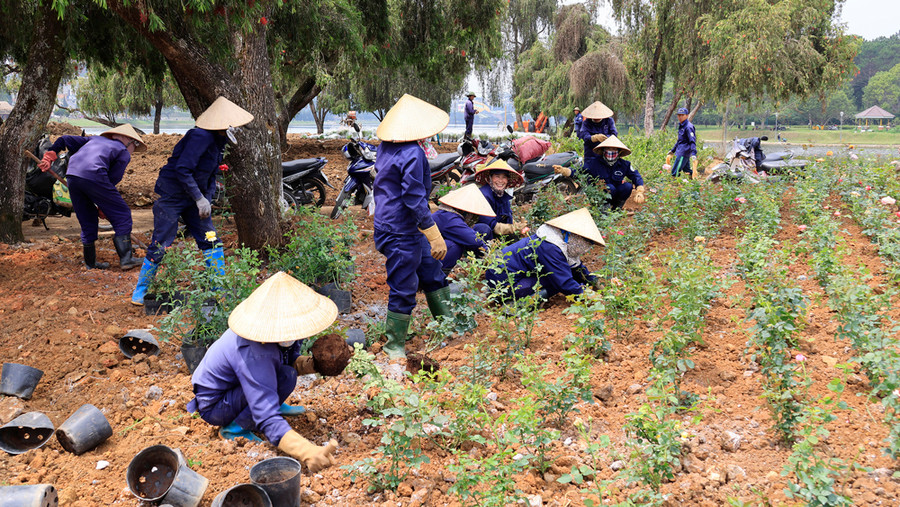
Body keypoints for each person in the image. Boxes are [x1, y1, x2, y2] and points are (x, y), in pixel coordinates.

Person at [186, 271, 343, 473]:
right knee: (273, 391)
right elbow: (266, 415)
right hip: (216, 404)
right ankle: (234, 429)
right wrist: (306, 450)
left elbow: (289, 361)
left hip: (239, 385)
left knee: (287, 376)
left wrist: (317, 364)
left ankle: (272, 402)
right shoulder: (256, 351)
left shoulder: (290, 330)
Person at [131, 96, 254, 305]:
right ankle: (140, 291)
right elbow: (182, 169)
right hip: (172, 195)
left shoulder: (219, 141)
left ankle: (218, 288)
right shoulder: (201, 137)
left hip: (195, 196)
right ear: (223, 123)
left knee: (211, 238)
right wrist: (198, 197)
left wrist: (206, 198)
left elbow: (212, 174)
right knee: (162, 242)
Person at [372, 93, 462, 359]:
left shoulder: (386, 146)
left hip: (401, 225)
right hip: (400, 229)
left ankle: (448, 325)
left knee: (432, 270)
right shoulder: (411, 153)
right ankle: (393, 345)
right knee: (404, 284)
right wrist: (434, 234)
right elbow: (413, 198)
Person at [38, 124, 146, 270]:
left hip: (73, 176)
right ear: (127, 139)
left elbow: (63, 140)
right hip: (94, 174)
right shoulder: (123, 151)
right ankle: (126, 259)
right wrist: (105, 205)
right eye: (136, 144)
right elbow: (112, 179)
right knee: (122, 214)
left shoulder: (93, 140)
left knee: (87, 217)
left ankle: (90, 263)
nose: (134, 149)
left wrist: (50, 156)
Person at [486, 208, 604, 300]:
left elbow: (576, 267)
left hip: (504, 272)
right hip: (502, 281)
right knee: (554, 281)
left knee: (562, 273)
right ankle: (519, 302)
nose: (585, 248)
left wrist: (594, 282)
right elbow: (564, 282)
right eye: (585, 242)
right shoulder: (550, 246)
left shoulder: (562, 239)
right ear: (575, 236)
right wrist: (588, 295)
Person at [432, 184, 495, 273]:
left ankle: (476, 262)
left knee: (482, 228)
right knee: (454, 247)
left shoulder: (452, 214)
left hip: (438, 242)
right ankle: (440, 273)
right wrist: (492, 256)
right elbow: (473, 240)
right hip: (427, 255)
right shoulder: (449, 218)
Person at [559, 101, 617, 180]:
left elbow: (614, 134)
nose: (597, 118)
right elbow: (584, 135)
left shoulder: (609, 121)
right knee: (589, 173)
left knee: (604, 175)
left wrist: (606, 138)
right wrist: (593, 138)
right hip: (591, 152)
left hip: (605, 152)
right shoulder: (586, 122)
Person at [471, 160, 526, 241]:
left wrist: (518, 227)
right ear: (490, 178)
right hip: (482, 234)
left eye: (504, 177)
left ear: (507, 180)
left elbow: (507, 218)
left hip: (497, 234)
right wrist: (513, 228)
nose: (500, 181)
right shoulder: (484, 195)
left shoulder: (502, 195)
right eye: (497, 176)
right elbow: (491, 225)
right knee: (485, 229)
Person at [590, 136, 645, 210]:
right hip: (602, 195)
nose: (611, 151)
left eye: (614, 149)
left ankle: (617, 207)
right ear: (603, 150)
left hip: (617, 193)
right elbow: (583, 170)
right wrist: (570, 171)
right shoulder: (595, 162)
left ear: (619, 151)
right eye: (608, 148)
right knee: (609, 188)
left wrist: (640, 188)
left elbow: (635, 175)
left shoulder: (624, 164)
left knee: (627, 186)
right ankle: (604, 207)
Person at [666, 107, 697, 178]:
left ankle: (674, 186)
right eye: (679, 115)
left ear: (687, 115)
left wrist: (693, 153)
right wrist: (672, 150)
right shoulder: (681, 125)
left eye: (682, 115)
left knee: (675, 171)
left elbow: (692, 141)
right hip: (680, 150)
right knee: (687, 170)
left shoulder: (688, 127)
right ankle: (693, 184)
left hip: (683, 152)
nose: (680, 117)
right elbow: (679, 141)